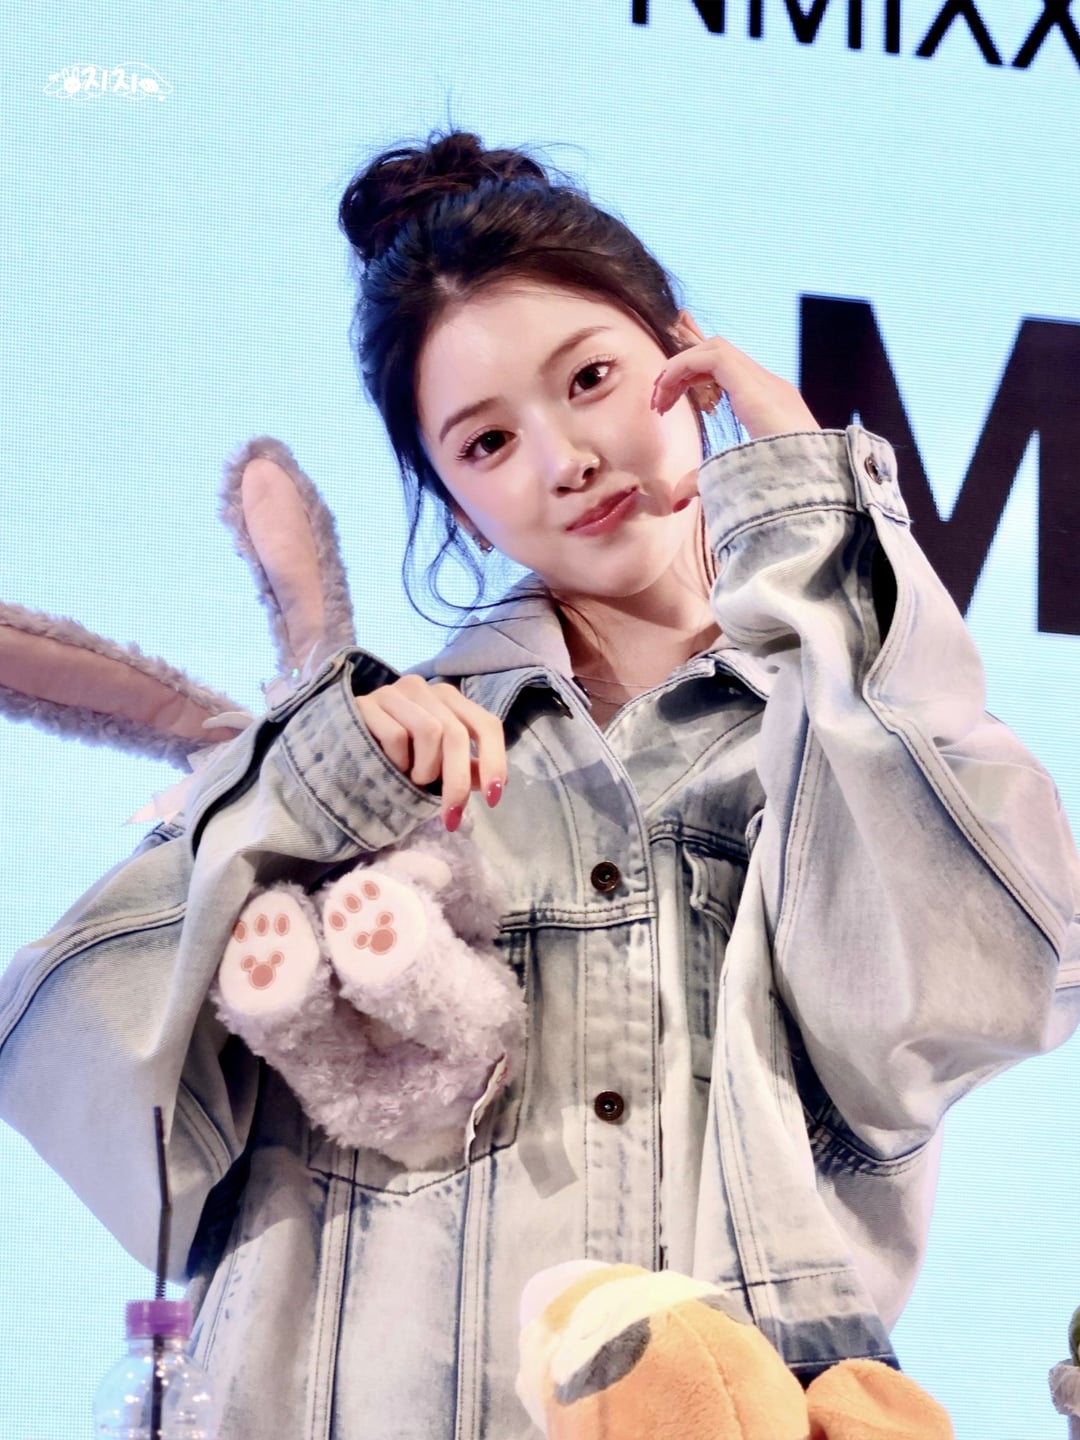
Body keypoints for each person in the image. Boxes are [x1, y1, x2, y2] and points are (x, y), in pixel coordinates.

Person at [2, 126, 1079, 1440]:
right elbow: (80, 1065)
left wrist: (815, 524)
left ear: (686, 356)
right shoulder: (367, 755)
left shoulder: (839, 723)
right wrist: (312, 788)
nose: (564, 457)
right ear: (454, 503)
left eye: (592, 378)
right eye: (487, 442)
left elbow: (996, 983)